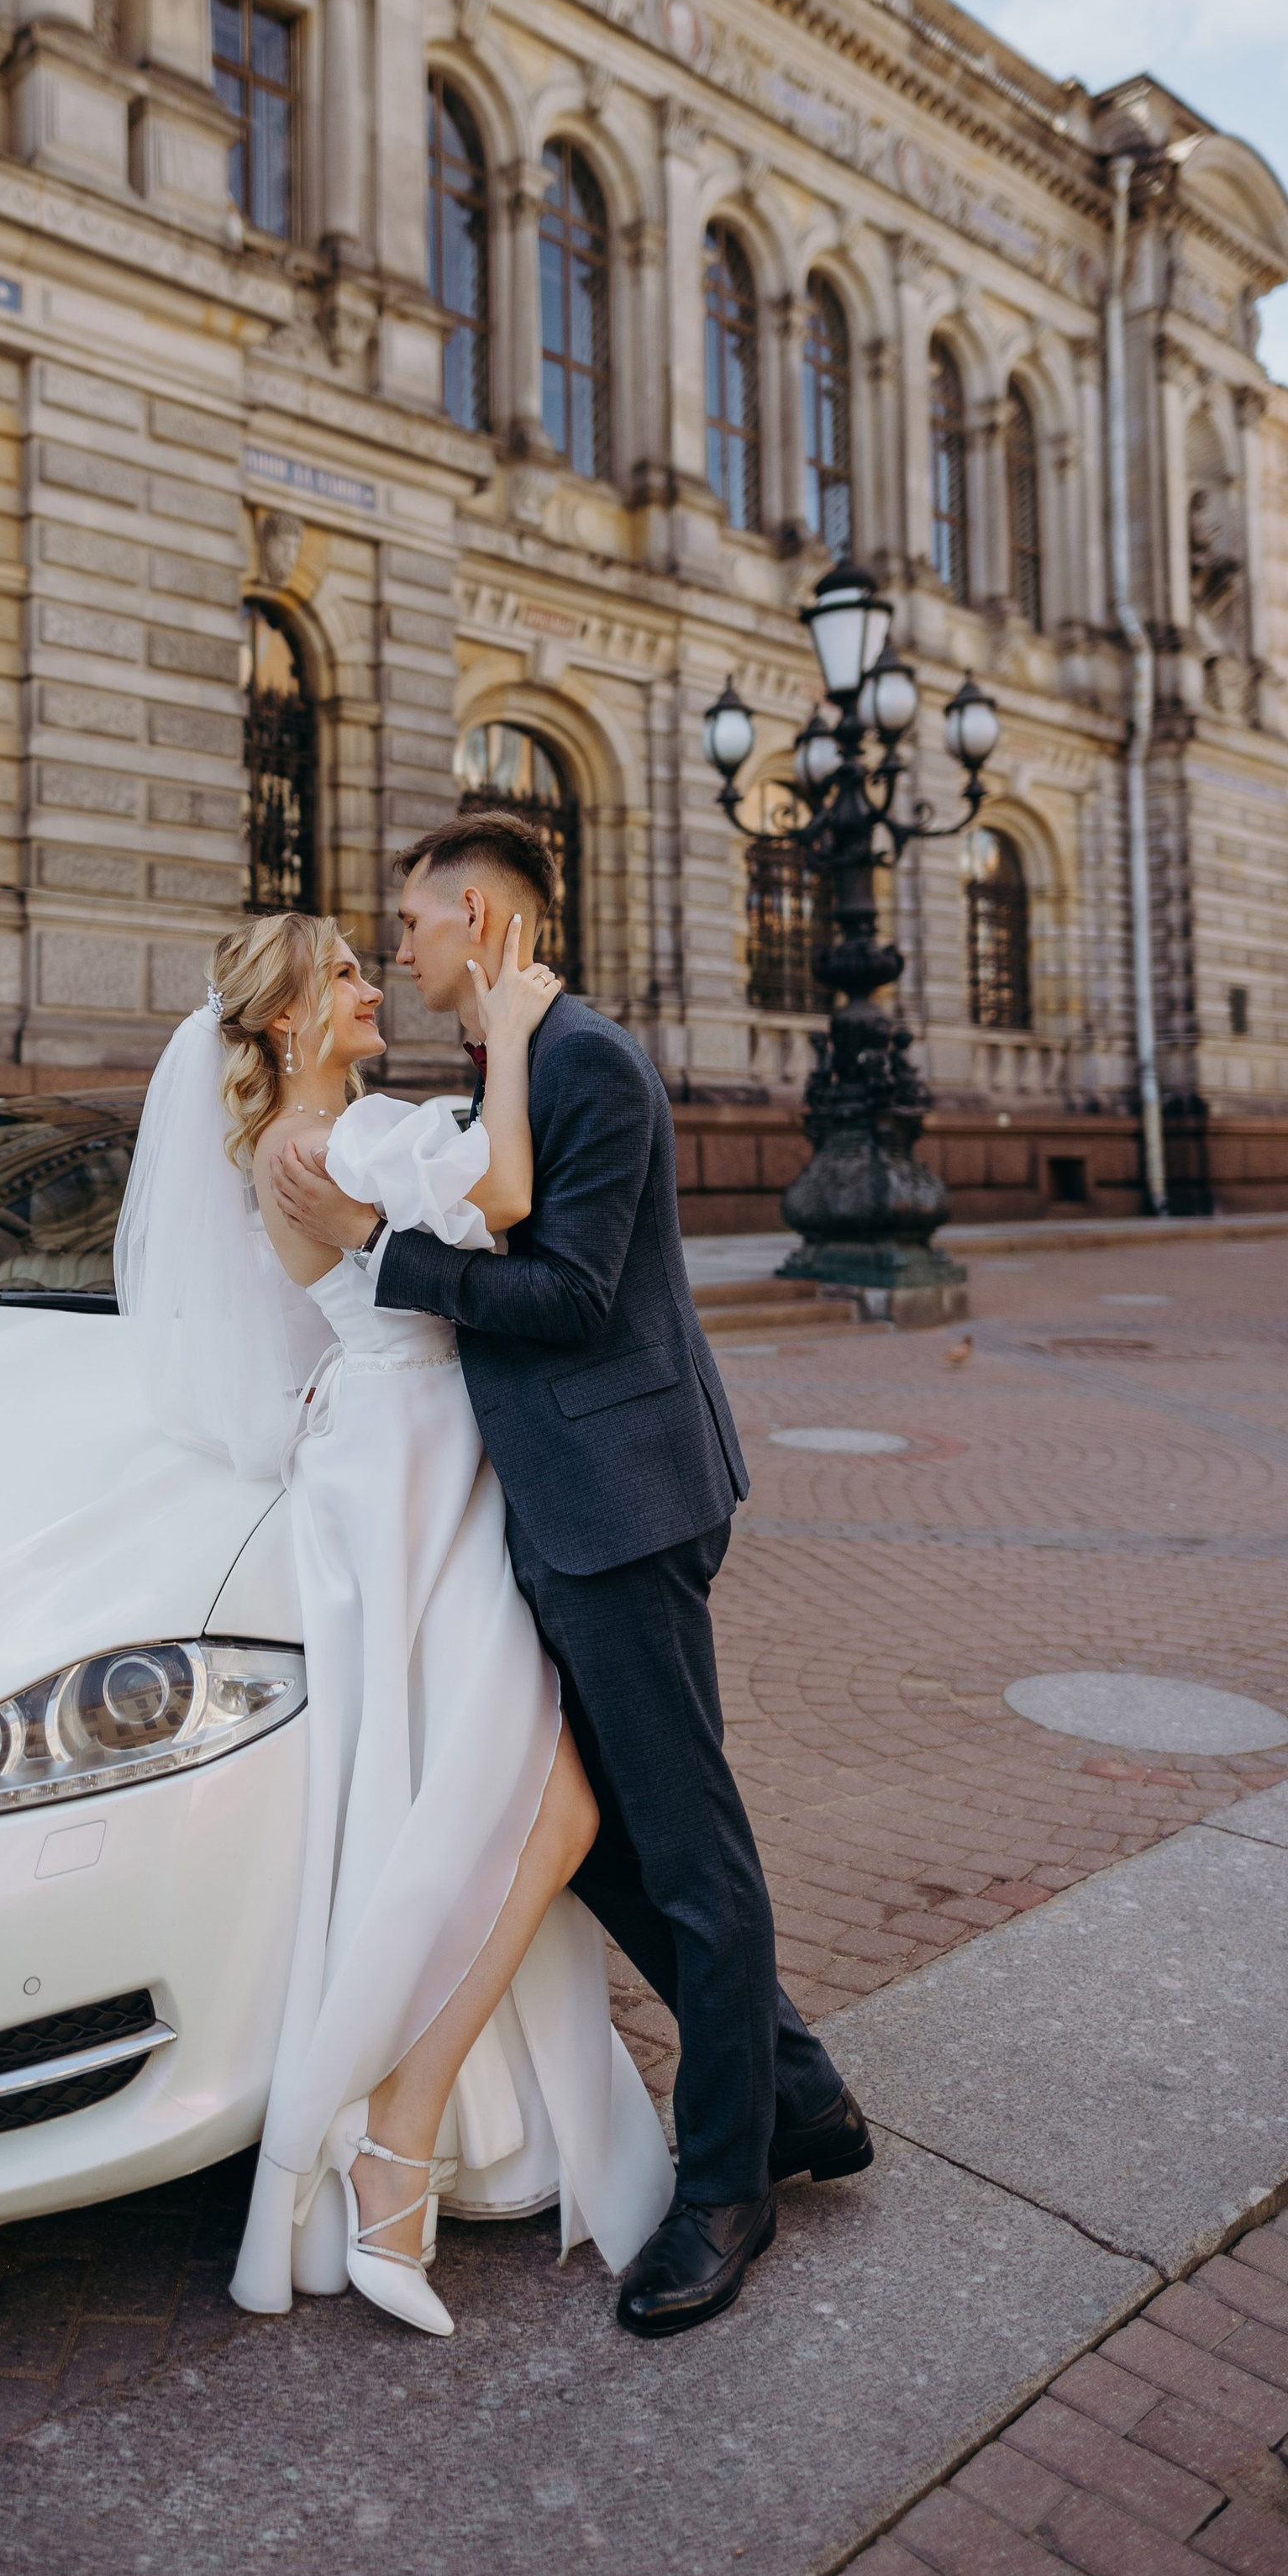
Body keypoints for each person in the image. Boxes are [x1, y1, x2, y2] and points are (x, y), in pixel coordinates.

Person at [270, 812, 873, 2337]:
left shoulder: (585, 1057)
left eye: (411, 922)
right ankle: (794, 2088)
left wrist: (378, 1254)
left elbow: (569, 1290)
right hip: (555, 1510)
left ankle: (725, 2186)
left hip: (624, 1506)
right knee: (594, 1840)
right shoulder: (514, 1060)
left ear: (478, 918)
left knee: (688, 1845)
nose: (398, 948)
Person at [114, 910, 671, 2337]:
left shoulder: (309, 1141)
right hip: (414, 1465)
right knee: (532, 1804)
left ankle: (398, 2133)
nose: (374, 986)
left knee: (480, 1794)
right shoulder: (329, 1144)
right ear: (293, 1019)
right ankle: (390, 2133)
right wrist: (519, 1029)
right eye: (347, 974)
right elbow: (500, 1191)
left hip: (400, 1456)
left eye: (376, 960)